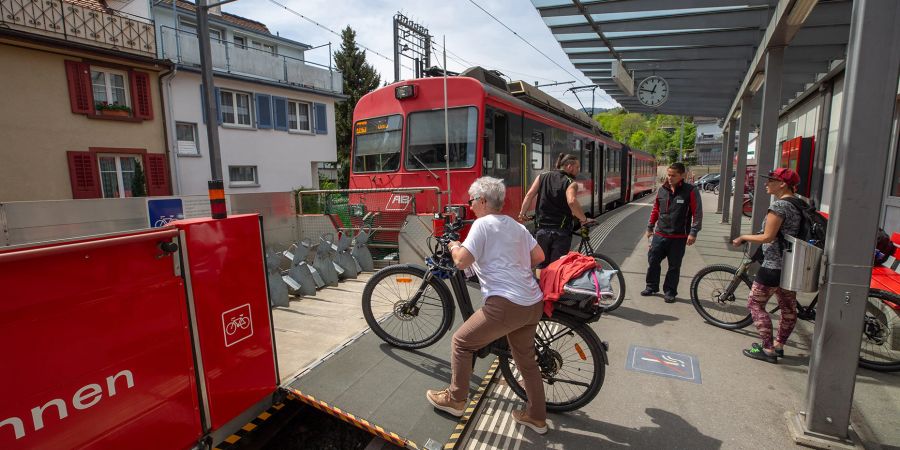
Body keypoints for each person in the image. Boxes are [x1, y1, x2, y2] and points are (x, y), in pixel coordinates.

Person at [427, 176, 549, 435]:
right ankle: (536, 417)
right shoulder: (516, 226)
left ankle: (456, 399)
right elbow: (539, 257)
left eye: (472, 201)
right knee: (526, 361)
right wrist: (513, 265)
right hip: (532, 302)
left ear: (482, 200)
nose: (470, 206)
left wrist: (453, 244)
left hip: (506, 304)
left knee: (462, 342)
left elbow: (461, 261)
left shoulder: (482, 225)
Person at [732, 168, 803, 363]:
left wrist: (743, 237)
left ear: (782, 184)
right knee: (788, 308)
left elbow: (767, 237)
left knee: (755, 304)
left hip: (773, 265)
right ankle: (779, 345)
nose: (766, 183)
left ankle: (767, 349)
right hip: (790, 266)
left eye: (771, 180)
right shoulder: (800, 204)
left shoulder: (780, 206)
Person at [518, 153, 595, 269]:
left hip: (542, 230)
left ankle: (541, 286)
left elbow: (529, 195)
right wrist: (583, 219)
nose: (578, 171)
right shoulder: (570, 182)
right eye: (577, 167)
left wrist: (522, 213)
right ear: (569, 166)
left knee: (541, 265)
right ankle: (553, 287)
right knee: (557, 267)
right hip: (560, 233)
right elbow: (572, 201)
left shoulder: (542, 176)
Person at [643, 162, 702, 303]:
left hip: (679, 237)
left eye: (673, 175)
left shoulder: (691, 191)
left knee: (674, 266)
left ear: (683, 175)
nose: (669, 178)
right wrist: (650, 227)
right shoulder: (662, 190)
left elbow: (697, 213)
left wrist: (693, 232)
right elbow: (656, 210)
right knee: (653, 261)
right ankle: (651, 286)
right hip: (660, 234)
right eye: (668, 175)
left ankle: (670, 291)